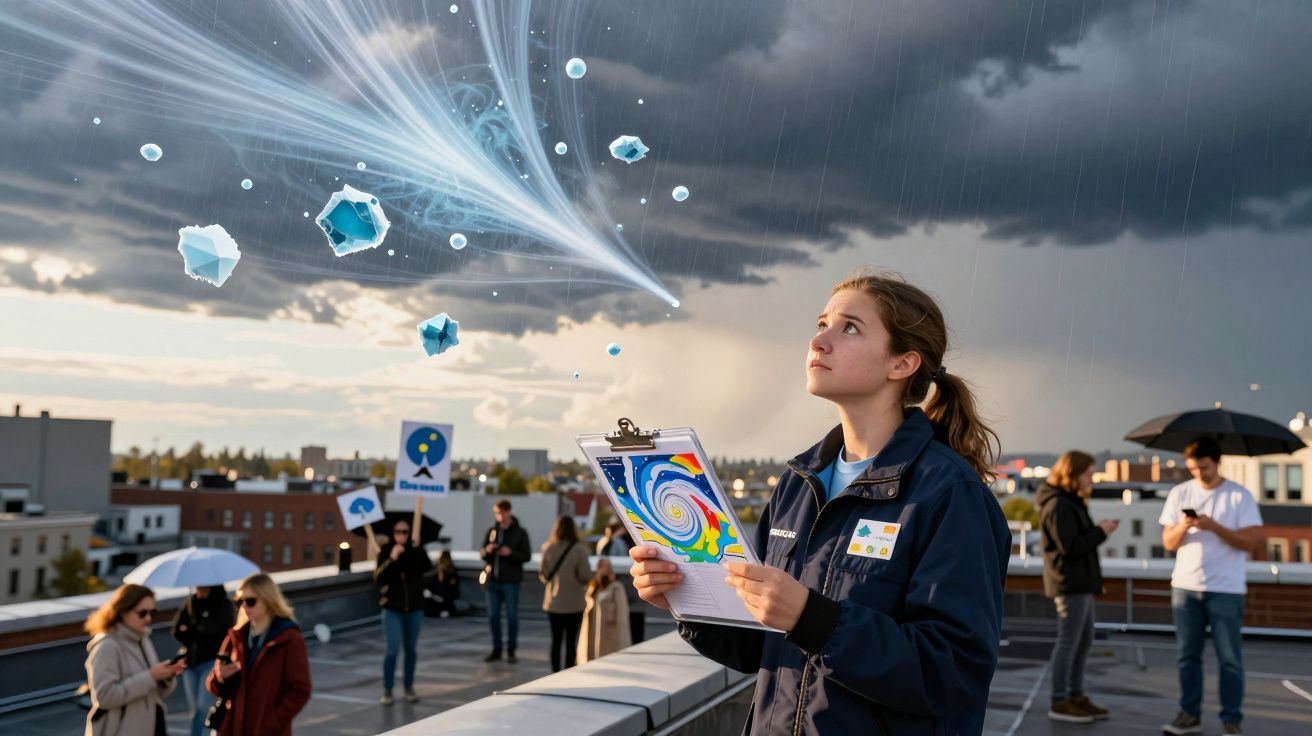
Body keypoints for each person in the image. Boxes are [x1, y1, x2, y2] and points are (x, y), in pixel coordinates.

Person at [629, 269, 1011, 734]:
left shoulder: (949, 494)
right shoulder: (799, 483)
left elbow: (953, 670)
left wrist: (814, 620)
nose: (818, 341)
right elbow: (755, 648)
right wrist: (685, 597)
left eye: (849, 328)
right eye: (821, 324)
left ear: (902, 363)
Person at [1159, 437, 1264, 736]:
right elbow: (1168, 543)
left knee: (1229, 659)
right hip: (1186, 586)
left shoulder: (1239, 496)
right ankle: (1189, 715)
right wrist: (1184, 526)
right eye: (1193, 468)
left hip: (1226, 589)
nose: (1198, 474)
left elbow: (1250, 543)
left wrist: (1214, 526)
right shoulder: (1180, 493)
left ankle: (1231, 720)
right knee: (1187, 656)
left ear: (1217, 463)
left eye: (1203, 467)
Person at [1037, 450, 1117, 723]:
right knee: (1069, 643)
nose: (1091, 479)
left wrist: (1098, 532)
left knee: (1082, 641)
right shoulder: (1060, 505)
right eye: (1088, 474)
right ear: (1073, 474)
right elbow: (1070, 548)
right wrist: (1101, 531)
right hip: (1069, 584)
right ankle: (1060, 701)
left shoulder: (1068, 502)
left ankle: (1075, 696)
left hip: (1079, 583)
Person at [206, 573, 311, 736]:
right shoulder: (236, 636)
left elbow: (300, 689)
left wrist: (273, 722)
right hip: (233, 728)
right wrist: (220, 677)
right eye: (239, 601)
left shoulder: (289, 638)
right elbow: (213, 685)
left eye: (250, 601)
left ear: (268, 600)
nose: (244, 607)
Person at [83, 583, 183, 736]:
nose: (148, 618)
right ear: (123, 611)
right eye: (142, 613)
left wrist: (165, 677)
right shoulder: (107, 646)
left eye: (152, 612)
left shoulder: (142, 639)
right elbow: (104, 697)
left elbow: (153, 694)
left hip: (149, 726)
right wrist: (151, 676)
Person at [374, 519, 433, 705]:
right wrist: (392, 558)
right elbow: (379, 578)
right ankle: (388, 690)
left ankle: (409, 687)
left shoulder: (416, 549)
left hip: (414, 608)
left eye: (405, 532)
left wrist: (418, 548)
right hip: (392, 608)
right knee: (392, 650)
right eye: (397, 532)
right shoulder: (386, 550)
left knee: (411, 650)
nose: (401, 535)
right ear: (392, 534)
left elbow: (427, 567)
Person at [171, 584, 235, 736]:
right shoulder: (191, 602)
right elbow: (177, 629)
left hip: (210, 662)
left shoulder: (224, 605)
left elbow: (219, 632)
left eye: (200, 585)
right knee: (195, 710)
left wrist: (195, 630)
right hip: (191, 662)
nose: (197, 588)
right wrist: (195, 633)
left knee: (202, 708)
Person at [480, 498, 531, 663]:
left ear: (508, 512)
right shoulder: (492, 531)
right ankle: (497, 649)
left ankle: (511, 650)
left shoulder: (520, 532)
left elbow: (527, 556)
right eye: (496, 513)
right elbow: (482, 553)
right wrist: (487, 551)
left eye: (501, 513)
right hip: (493, 581)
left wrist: (510, 553)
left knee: (512, 617)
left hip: (511, 581)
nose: (498, 516)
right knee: (493, 616)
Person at [539, 515, 593, 672]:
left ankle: (554, 673)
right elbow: (585, 576)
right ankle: (568, 673)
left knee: (556, 641)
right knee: (571, 642)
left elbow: (543, 575)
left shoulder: (547, 548)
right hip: (574, 603)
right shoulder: (579, 550)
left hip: (554, 603)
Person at [578, 557, 631, 664]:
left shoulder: (616, 587)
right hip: (593, 630)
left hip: (609, 633)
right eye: (600, 566)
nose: (603, 569)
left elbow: (622, 615)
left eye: (605, 566)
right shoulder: (593, 586)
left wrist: (622, 639)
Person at [425, 549, 462, 618]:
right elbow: (431, 587)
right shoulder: (436, 575)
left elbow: (449, 590)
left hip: (447, 600)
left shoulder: (452, 574)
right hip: (436, 599)